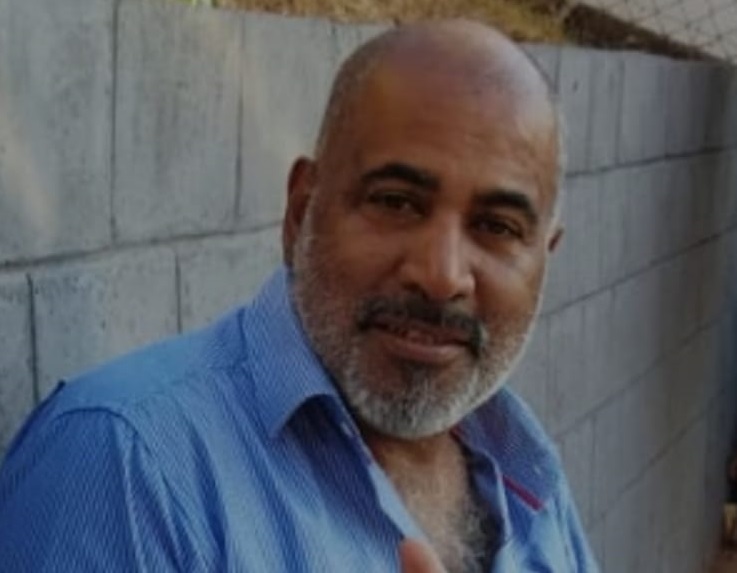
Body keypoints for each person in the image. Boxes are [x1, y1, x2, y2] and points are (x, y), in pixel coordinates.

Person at [0, 19, 599, 572]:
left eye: (497, 226)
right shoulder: (126, 465)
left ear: (545, 257)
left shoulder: (526, 472)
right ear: (300, 211)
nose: (441, 276)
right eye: (396, 202)